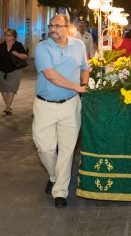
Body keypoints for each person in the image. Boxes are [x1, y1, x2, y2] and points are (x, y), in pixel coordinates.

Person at [33, 14, 88, 208]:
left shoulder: (78, 46)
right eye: (51, 25)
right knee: (45, 148)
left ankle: (60, 192)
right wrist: (77, 87)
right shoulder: (42, 47)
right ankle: (54, 175)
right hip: (45, 105)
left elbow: (85, 68)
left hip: (70, 105)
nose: (53, 29)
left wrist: (84, 83)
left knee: (66, 150)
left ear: (67, 28)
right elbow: (50, 75)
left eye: (57, 26)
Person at [0, 28, 28, 115]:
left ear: (13, 37)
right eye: (5, 35)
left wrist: (17, 54)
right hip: (2, 70)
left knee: (11, 89)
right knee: (3, 89)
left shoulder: (18, 45)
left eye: (8, 35)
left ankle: (8, 107)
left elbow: (25, 56)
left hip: (15, 70)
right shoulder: (1, 46)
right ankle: (9, 106)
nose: (6, 37)